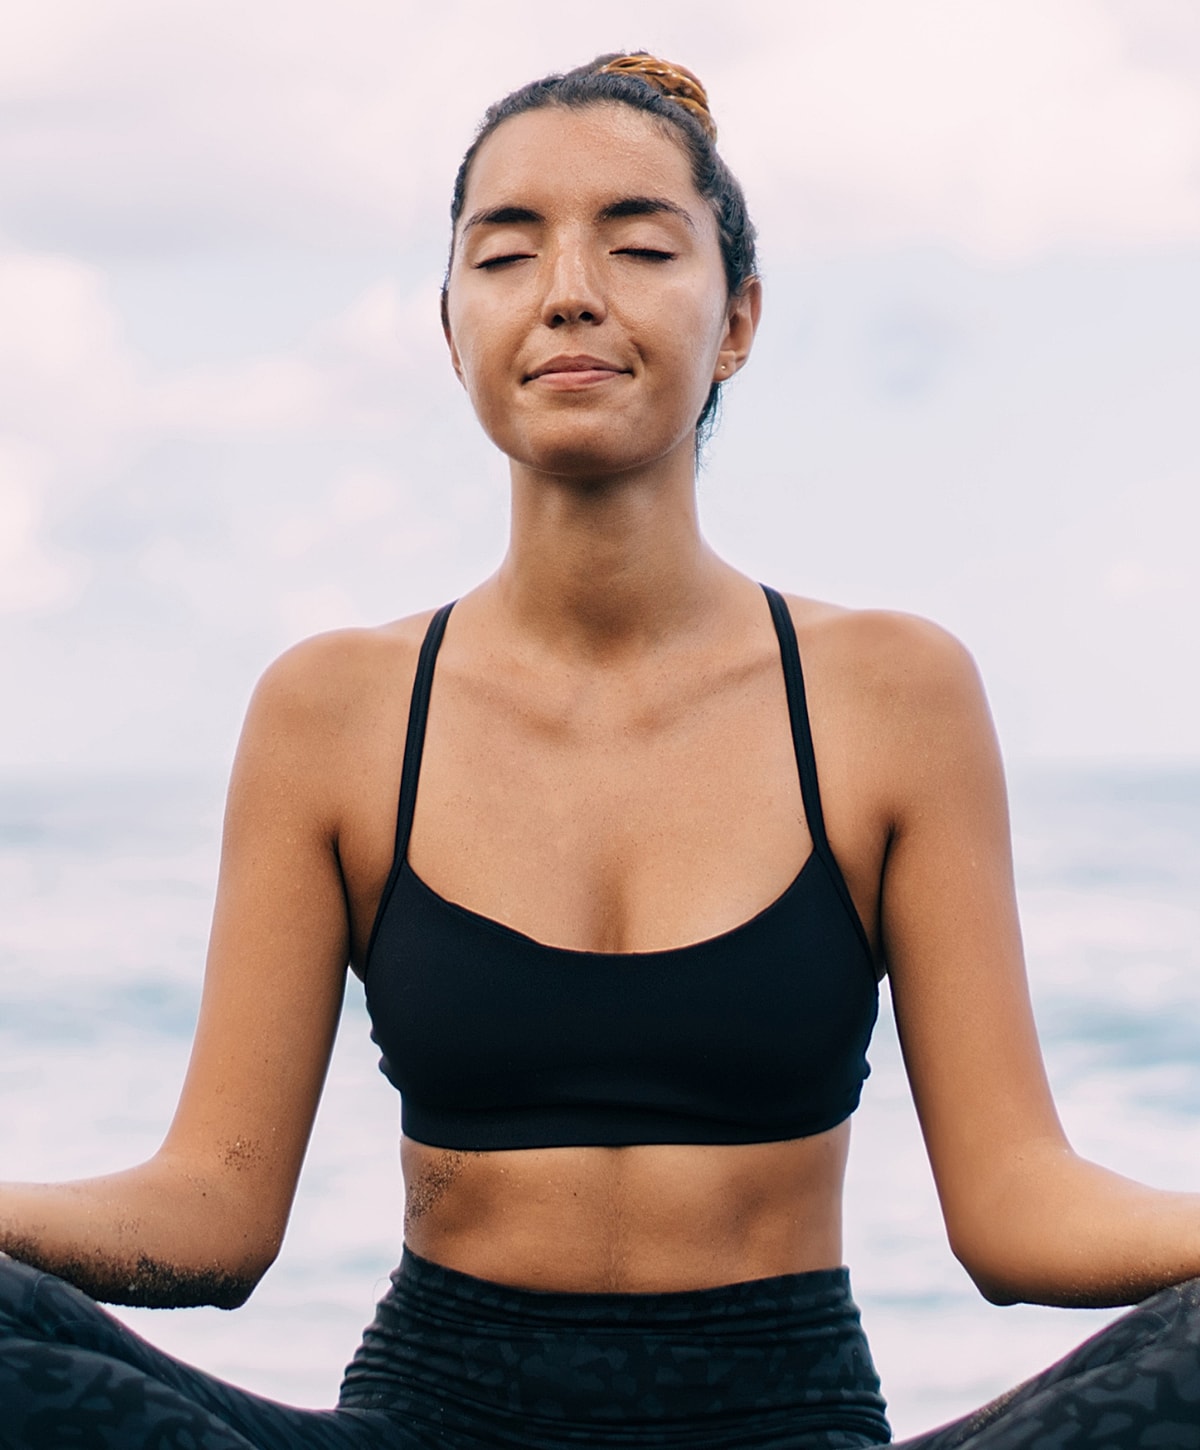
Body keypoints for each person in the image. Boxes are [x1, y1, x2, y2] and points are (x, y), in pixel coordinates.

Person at [1, 50, 1199, 1450]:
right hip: (426, 1425)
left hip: (785, 1422)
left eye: (638, 244)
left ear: (738, 318)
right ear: (455, 326)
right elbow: (210, 1215)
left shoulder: (892, 693)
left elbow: (1018, 1210)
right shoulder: (333, 707)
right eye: (507, 252)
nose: (571, 287)